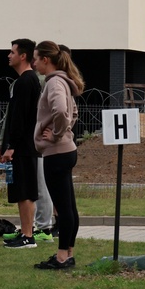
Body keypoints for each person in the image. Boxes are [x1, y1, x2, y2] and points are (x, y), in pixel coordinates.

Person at [32, 41, 85, 269]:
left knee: (63, 207)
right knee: (69, 206)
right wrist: (64, 130)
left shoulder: (54, 82)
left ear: (46, 59)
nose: (33, 62)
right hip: (67, 149)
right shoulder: (64, 81)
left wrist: (55, 134)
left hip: (57, 151)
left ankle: (62, 256)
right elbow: (73, 112)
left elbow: (62, 110)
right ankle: (68, 252)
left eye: (35, 58)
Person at [0, 38, 43, 249]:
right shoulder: (25, 80)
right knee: (21, 190)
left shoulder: (26, 81)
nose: (9, 55)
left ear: (22, 55)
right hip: (23, 146)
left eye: (12, 52)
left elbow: (20, 118)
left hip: (24, 148)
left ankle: (28, 235)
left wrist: (11, 146)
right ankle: (26, 231)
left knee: (25, 191)